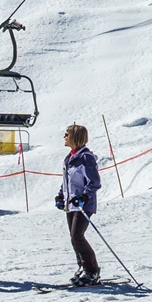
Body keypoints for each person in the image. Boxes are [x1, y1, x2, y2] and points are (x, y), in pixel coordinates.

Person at [56, 123, 102, 286]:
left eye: (67, 134)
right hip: (71, 204)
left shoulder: (86, 158)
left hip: (84, 205)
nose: (64, 137)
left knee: (77, 236)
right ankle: (83, 267)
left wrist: (83, 197)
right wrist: (61, 196)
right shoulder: (69, 158)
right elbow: (67, 181)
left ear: (75, 136)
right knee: (74, 238)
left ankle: (92, 271)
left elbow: (95, 182)